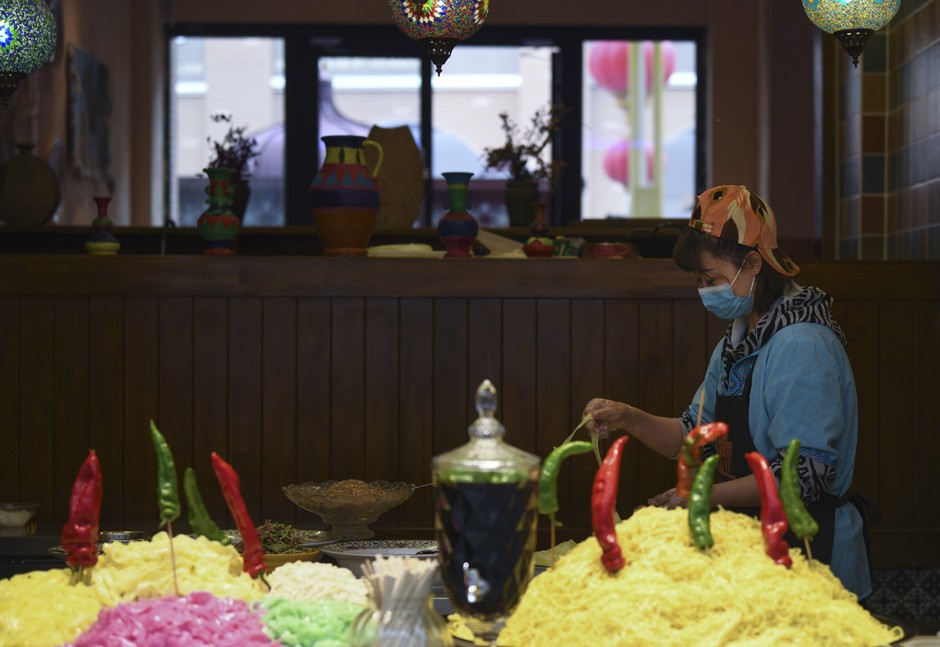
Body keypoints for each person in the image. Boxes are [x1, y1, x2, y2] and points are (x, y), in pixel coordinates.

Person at [582, 185, 871, 599]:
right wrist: (627, 417)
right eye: (700, 281)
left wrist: (699, 496)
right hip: (753, 551)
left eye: (712, 279)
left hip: (811, 555)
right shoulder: (735, 343)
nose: (704, 290)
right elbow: (692, 435)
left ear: (752, 262)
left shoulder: (802, 345)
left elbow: (803, 477)